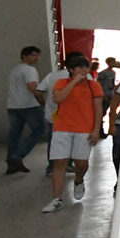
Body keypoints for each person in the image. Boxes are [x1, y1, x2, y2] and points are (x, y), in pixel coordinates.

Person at [44, 54, 103, 212]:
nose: (84, 70)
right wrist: (74, 82)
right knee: (59, 163)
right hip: (62, 128)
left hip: (84, 130)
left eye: (86, 66)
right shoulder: (61, 83)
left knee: (81, 163)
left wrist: (97, 129)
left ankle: (79, 179)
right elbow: (58, 99)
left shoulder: (93, 86)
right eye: (79, 67)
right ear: (71, 69)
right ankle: (57, 198)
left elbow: (98, 109)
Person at [5, 45, 45, 174]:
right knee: (39, 128)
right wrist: (42, 102)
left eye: (37, 55)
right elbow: (33, 88)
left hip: (13, 105)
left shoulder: (15, 69)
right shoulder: (29, 70)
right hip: (28, 105)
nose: (36, 58)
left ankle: (11, 164)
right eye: (33, 55)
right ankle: (17, 156)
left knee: (14, 134)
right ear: (24, 56)